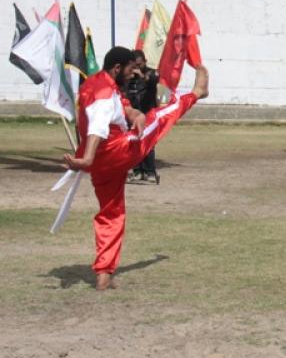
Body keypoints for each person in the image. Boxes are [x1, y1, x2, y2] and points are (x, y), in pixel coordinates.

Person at [63, 46, 209, 291]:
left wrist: (134, 114)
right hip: (115, 151)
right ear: (118, 68)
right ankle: (196, 93)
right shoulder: (104, 91)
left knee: (111, 213)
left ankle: (104, 273)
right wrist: (86, 159)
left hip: (102, 163)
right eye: (132, 68)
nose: (135, 73)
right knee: (160, 117)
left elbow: (120, 109)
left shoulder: (97, 84)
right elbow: (98, 126)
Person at [124, 50, 159, 182]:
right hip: (133, 114)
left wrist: (142, 75)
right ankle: (137, 171)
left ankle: (150, 172)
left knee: (147, 143)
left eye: (139, 65)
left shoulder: (151, 72)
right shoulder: (128, 76)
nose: (136, 68)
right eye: (134, 66)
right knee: (133, 142)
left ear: (145, 62)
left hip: (148, 113)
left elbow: (153, 81)